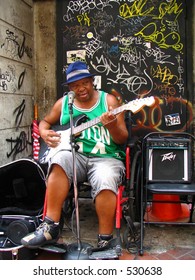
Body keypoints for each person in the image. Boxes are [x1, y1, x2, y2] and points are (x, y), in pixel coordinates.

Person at [21, 61, 128, 248]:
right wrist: (44, 133)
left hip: (106, 157)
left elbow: (122, 139)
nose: (80, 89)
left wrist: (111, 125)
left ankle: (106, 239)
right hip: (76, 155)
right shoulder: (64, 104)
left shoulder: (109, 101)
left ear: (92, 81)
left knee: (105, 176)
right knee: (60, 159)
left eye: (84, 83)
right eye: (75, 86)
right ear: (70, 88)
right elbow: (45, 122)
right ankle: (50, 227)